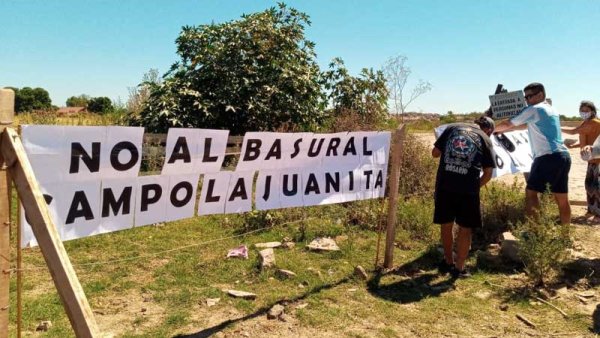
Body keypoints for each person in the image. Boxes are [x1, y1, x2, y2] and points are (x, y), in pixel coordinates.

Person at [495, 82, 571, 225]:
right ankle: (565, 235)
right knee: (561, 198)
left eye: (530, 96)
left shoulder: (535, 109)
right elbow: (522, 126)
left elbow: (508, 124)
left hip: (546, 156)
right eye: (526, 97)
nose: (527, 100)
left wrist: (489, 130)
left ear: (540, 95)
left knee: (531, 194)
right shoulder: (551, 109)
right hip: (562, 156)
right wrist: (500, 130)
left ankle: (533, 231)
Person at [432, 116, 496, 278]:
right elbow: (488, 173)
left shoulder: (452, 128)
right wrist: (474, 186)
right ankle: (459, 268)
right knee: (465, 229)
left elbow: (434, 153)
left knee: (446, 225)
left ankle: (448, 261)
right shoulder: (485, 139)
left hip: (445, 185)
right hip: (468, 190)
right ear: (488, 130)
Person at [562, 101, 600, 221]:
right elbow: (588, 141)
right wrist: (574, 146)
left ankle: (598, 214)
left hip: (598, 160)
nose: (584, 113)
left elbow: (573, 131)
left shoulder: (595, 123)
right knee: (590, 185)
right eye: (582, 110)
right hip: (591, 160)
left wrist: (555, 126)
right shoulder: (587, 123)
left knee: (597, 187)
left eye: (586, 110)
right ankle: (591, 210)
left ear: (593, 111)